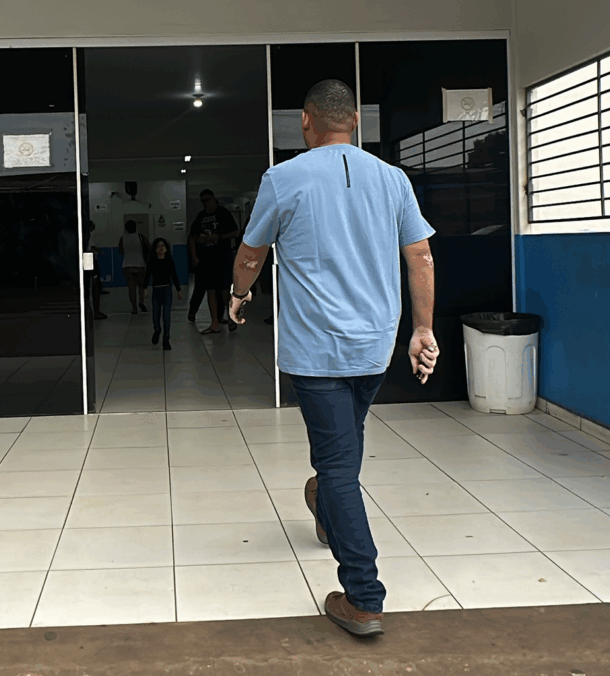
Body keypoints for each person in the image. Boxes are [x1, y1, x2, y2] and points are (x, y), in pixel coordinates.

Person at [228, 80, 439, 638]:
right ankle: (325, 503)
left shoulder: (284, 178)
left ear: (306, 121)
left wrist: (239, 293)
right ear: (355, 122)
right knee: (344, 443)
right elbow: (420, 255)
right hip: (374, 349)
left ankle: (363, 597)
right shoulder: (392, 179)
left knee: (339, 466)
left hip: (316, 351)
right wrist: (422, 329)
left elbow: (251, 253)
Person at [187, 189, 238, 334]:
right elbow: (193, 236)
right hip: (207, 259)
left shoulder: (223, 213)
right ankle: (214, 322)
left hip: (222, 257)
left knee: (224, 290)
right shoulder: (201, 216)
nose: (205, 203)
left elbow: (235, 232)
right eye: (202, 201)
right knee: (210, 290)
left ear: (214, 198)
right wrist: (194, 255)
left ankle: (230, 317)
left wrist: (219, 237)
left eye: (207, 199)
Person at [140, 237, 182, 350]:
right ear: (154, 249)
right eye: (158, 246)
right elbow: (147, 275)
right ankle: (157, 330)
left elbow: (174, 275)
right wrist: (145, 288)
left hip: (167, 290)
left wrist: (178, 290)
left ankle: (166, 338)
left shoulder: (169, 260)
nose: (161, 248)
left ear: (167, 248)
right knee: (156, 316)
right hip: (156, 291)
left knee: (166, 315)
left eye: (163, 246)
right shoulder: (152, 261)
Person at [118, 220, 150, 315]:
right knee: (141, 286)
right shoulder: (140, 237)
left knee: (131, 288)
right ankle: (141, 302)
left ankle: (134, 308)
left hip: (128, 266)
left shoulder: (123, 238)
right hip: (140, 265)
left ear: (126, 228)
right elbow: (149, 247)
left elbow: (121, 252)